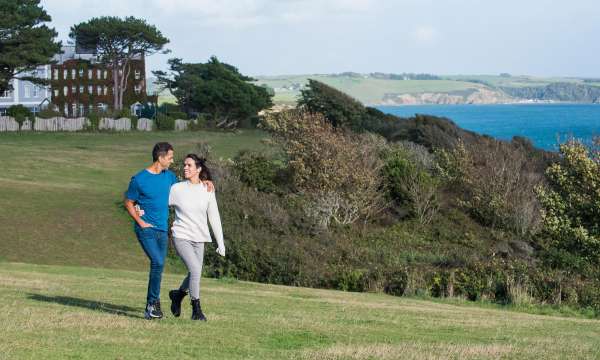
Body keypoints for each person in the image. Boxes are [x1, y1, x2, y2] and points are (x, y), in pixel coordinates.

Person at [165, 154, 225, 321]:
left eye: (189, 165)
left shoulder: (207, 189)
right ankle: (196, 309)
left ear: (198, 169)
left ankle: (178, 295)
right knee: (196, 270)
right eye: (184, 165)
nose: (185, 168)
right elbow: (160, 203)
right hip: (181, 235)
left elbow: (214, 216)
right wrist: (141, 209)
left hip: (200, 237)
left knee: (195, 273)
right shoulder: (176, 189)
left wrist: (221, 243)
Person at [124, 142, 177, 320]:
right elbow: (128, 202)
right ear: (160, 158)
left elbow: (183, 191)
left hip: (162, 230)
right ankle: (152, 304)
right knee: (158, 262)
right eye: (170, 157)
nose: (172, 160)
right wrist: (140, 221)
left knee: (159, 265)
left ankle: (153, 303)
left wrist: (205, 180)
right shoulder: (139, 179)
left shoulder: (170, 177)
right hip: (145, 229)